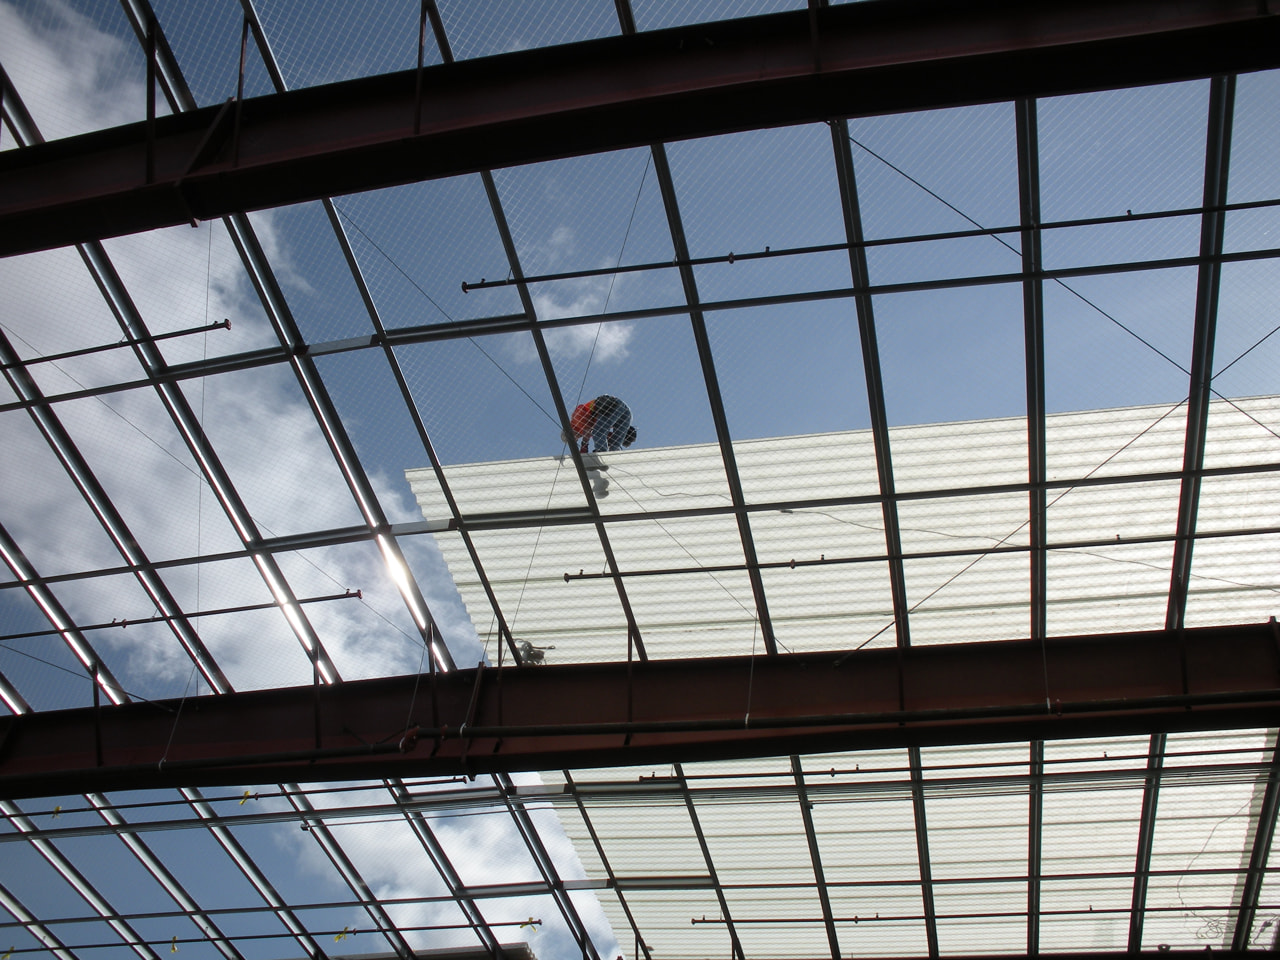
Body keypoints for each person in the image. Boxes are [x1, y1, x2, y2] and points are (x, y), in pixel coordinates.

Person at [568, 395, 635, 453]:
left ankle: (602, 452)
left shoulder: (576, 421)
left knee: (598, 432)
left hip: (611, 406)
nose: (576, 440)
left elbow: (588, 429)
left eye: (573, 439)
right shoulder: (581, 427)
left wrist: (584, 446)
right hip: (625, 412)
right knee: (614, 444)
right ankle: (613, 455)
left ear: (571, 432)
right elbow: (606, 436)